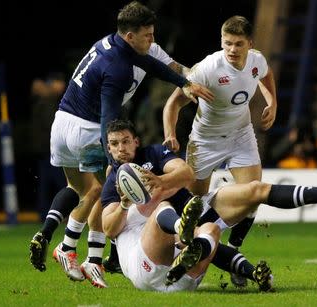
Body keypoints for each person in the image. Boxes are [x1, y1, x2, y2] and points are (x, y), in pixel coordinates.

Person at [29, 1, 214, 289]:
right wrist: (116, 160)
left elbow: (152, 63)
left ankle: (58, 239)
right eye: (148, 36)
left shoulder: (114, 44)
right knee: (104, 193)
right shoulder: (117, 69)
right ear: (131, 36)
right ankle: (87, 256)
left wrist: (183, 81)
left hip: (62, 122)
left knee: (79, 190)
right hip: (87, 128)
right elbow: (108, 118)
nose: (153, 40)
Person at [101, 119, 317, 292]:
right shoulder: (113, 182)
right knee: (176, 216)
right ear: (109, 148)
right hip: (159, 247)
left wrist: (160, 180)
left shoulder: (153, 154)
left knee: (254, 190)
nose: (121, 148)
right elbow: (108, 228)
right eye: (114, 144)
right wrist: (125, 203)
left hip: (194, 217)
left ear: (136, 141)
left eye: (125, 141)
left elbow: (186, 174)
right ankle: (187, 234)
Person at [162, 15, 277, 287]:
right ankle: (187, 250)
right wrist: (169, 134)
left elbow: (267, 75)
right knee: (196, 201)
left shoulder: (257, 60)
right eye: (227, 44)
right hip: (205, 142)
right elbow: (173, 104)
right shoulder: (207, 69)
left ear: (250, 43)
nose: (232, 50)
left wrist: (272, 102)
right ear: (221, 42)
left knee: (253, 193)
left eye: (238, 44)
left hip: (241, 134)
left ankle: (234, 253)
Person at [30, 72, 67, 221]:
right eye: (60, 82)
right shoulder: (49, 101)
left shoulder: (43, 99)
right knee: (61, 182)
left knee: (46, 183)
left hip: (43, 148)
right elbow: (52, 126)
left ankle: (45, 213)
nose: (62, 86)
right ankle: (62, 212)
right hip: (49, 149)